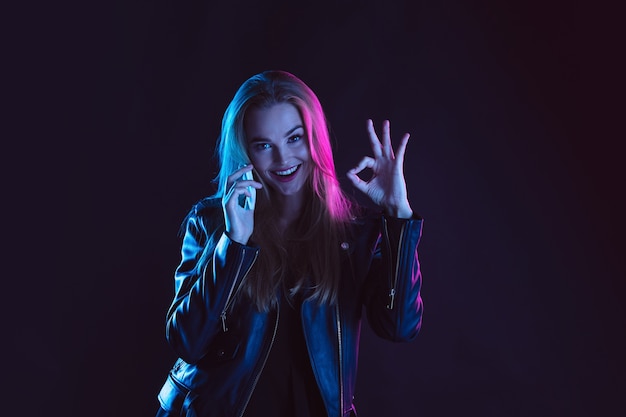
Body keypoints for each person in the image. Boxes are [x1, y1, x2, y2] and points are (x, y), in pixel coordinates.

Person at [156, 70, 424, 417]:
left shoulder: (352, 233)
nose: (283, 159)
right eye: (263, 145)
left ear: (314, 139)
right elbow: (187, 342)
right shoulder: (211, 223)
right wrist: (234, 243)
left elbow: (399, 327)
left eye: (295, 138)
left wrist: (397, 216)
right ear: (245, 151)